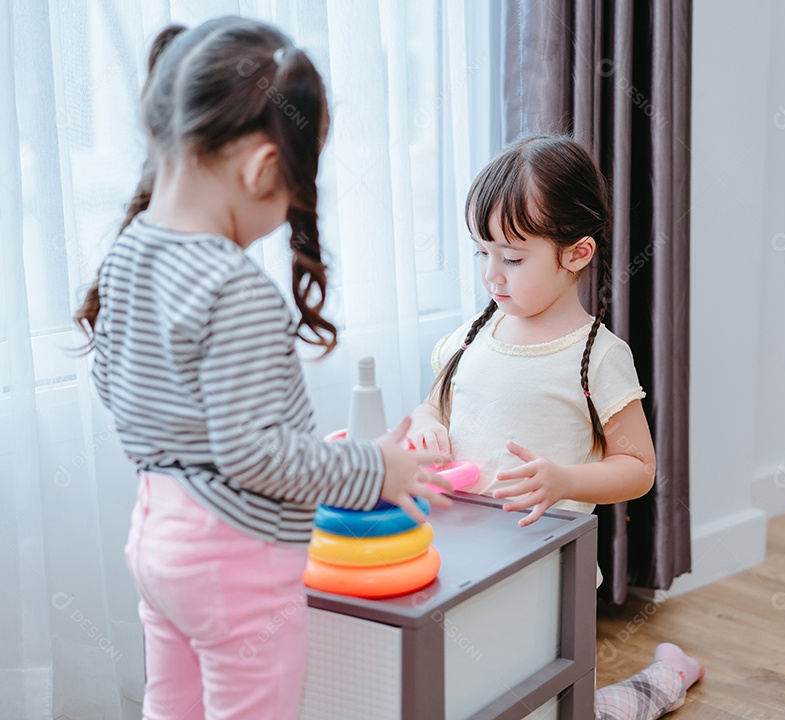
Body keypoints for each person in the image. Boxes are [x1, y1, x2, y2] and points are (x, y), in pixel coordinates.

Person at [75, 17, 449, 719]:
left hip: (157, 536)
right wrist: (377, 467)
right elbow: (252, 454)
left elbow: (116, 387)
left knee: (171, 705)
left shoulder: (130, 252)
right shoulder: (233, 284)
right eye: (292, 194)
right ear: (261, 169)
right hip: (231, 557)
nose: (286, 216)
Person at [407, 134, 703, 719]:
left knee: (560, 706)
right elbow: (431, 409)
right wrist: (423, 425)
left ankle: (666, 676)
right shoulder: (469, 339)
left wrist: (563, 480)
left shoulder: (595, 356)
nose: (493, 274)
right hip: (464, 562)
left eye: (512, 258)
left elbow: (639, 470)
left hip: (544, 578)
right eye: (482, 252)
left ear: (577, 253)